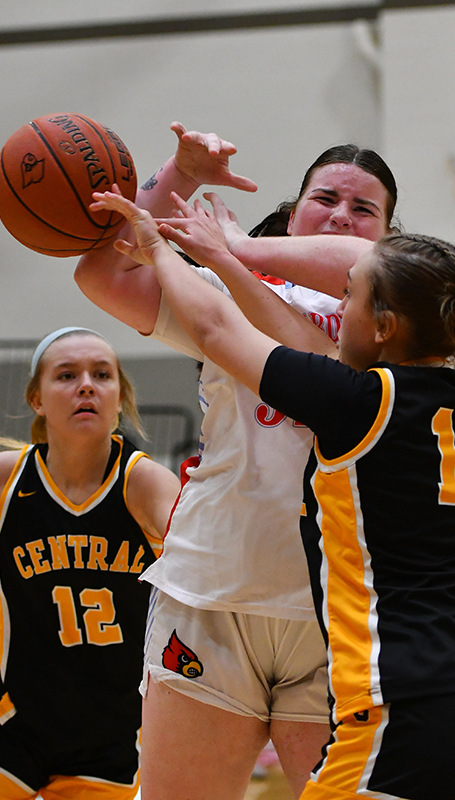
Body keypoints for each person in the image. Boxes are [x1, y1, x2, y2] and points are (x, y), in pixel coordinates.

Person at [90, 188, 455, 800]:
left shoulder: (358, 402)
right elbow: (344, 311)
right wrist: (235, 254)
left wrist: (162, 247)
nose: (335, 308)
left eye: (348, 296)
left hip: (416, 709)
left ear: (383, 326)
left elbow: (214, 329)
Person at [75, 125, 399, 800]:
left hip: (335, 612)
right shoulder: (222, 286)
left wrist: (230, 254)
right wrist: (182, 173)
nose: (341, 214)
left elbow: (323, 361)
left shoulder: (404, 324)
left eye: (363, 209)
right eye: (325, 198)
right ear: (291, 215)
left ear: (389, 241)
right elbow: (103, 272)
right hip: (212, 588)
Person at [0, 327, 180, 800]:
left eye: (101, 375)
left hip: (110, 736)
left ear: (120, 398)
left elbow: (211, 581)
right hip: (11, 723)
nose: (86, 385)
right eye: (67, 375)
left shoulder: (144, 483)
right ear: (37, 399)